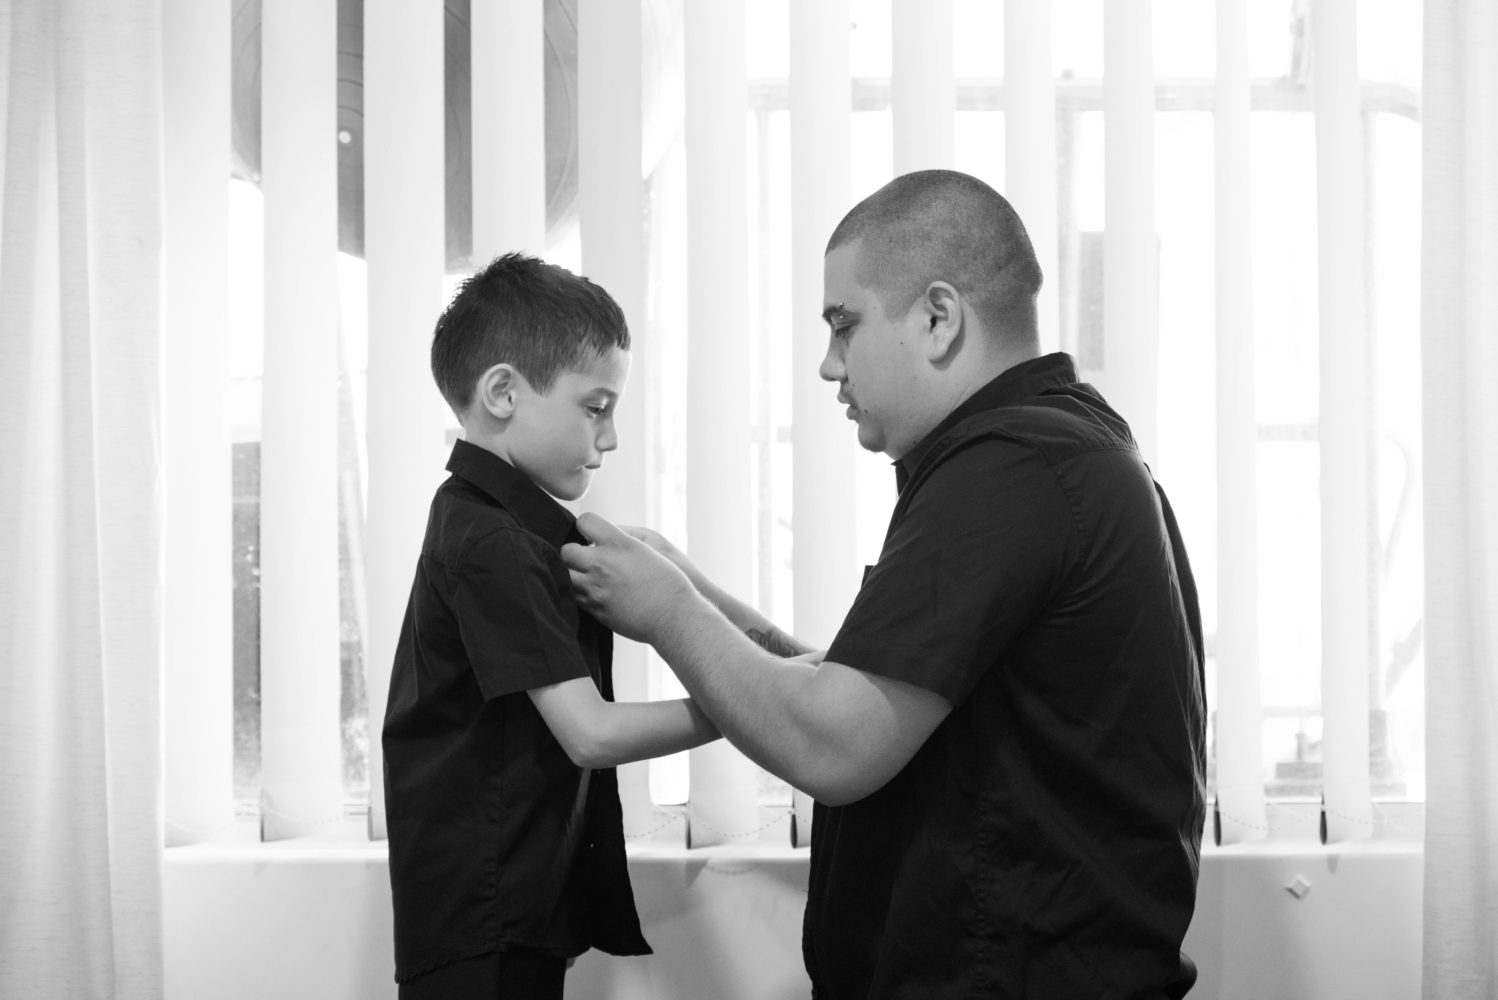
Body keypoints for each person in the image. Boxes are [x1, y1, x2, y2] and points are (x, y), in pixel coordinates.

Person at [562, 169, 1207, 999]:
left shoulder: (1013, 470)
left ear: (938, 318)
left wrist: (668, 612)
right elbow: (862, 691)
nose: (829, 365)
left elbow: (836, 742)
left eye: (844, 325)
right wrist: (691, 585)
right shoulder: (1054, 456)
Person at [382, 252, 720, 1000]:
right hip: (483, 918)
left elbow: (658, 573)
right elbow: (590, 733)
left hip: (509, 902)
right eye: (596, 408)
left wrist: (782, 658)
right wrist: (744, 705)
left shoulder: (513, 527)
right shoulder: (491, 542)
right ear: (503, 391)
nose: (611, 437)